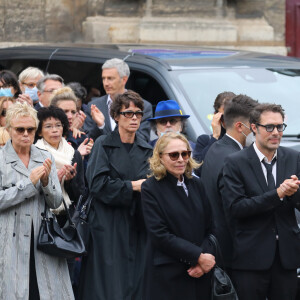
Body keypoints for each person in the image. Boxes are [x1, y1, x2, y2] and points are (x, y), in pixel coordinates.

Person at [79, 90, 153, 300]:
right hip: (106, 223)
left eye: (138, 114)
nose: (134, 118)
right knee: (106, 284)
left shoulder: (146, 149)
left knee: (134, 282)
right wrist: (132, 187)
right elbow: (97, 185)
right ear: (116, 116)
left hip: (136, 223)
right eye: (128, 113)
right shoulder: (103, 143)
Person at [223, 103, 300, 300]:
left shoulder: (293, 157)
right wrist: (278, 194)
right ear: (254, 128)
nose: (276, 132)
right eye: (270, 127)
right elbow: (236, 208)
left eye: (280, 127)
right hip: (251, 259)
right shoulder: (235, 162)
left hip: (287, 259)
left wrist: (293, 193)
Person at [0, 101, 74, 299]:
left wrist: (46, 182)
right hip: (9, 244)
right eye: (20, 129)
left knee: (45, 293)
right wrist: (28, 184)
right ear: (8, 129)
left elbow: (56, 201)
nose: (26, 134)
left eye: (30, 129)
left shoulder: (44, 155)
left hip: (43, 241)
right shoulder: (1, 159)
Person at [141, 132, 215, 300]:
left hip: (200, 273)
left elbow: (210, 227)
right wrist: (197, 256)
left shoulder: (197, 184)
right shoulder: (151, 188)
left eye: (185, 153)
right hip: (169, 274)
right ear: (160, 157)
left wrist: (203, 260)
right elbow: (159, 234)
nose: (181, 159)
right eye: (174, 155)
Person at [201, 95, 258, 269]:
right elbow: (234, 210)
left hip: (218, 246)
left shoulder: (217, 148)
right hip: (232, 253)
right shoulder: (234, 158)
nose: (257, 131)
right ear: (240, 126)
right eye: (254, 126)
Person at [83, 58, 152, 142]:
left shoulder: (143, 106)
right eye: (103, 78)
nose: (106, 83)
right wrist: (100, 126)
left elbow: (143, 140)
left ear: (124, 80)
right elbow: (88, 140)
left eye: (110, 78)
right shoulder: (94, 106)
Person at [35, 106, 85, 218]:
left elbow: (81, 193)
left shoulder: (73, 154)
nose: (54, 130)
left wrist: (68, 181)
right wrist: (51, 182)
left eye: (58, 125)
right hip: (42, 216)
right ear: (39, 131)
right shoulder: (34, 154)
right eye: (48, 126)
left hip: (68, 216)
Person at [193, 91, 236, 166]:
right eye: (225, 116)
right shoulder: (205, 140)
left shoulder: (245, 142)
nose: (230, 121)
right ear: (216, 116)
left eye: (233, 116)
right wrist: (215, 136)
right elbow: (199, 168)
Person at [50, 87, 94, 156]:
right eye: (65, 111)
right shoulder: (41, 138)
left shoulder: (81, 139)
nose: (70, 116)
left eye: (73, 112)